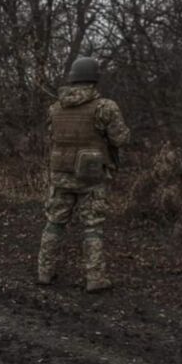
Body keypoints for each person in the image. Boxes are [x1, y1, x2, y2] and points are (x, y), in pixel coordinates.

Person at [37, 56, 130, 293]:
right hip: (91, 177)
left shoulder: (55, 108)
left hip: (60, 175)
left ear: (73, 78)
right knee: (93, 227)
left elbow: (51, 137)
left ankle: (44, 272)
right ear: (94, 79)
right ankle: (95, 278)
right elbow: (120, 139)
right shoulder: (105, 107)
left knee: (54, 223)